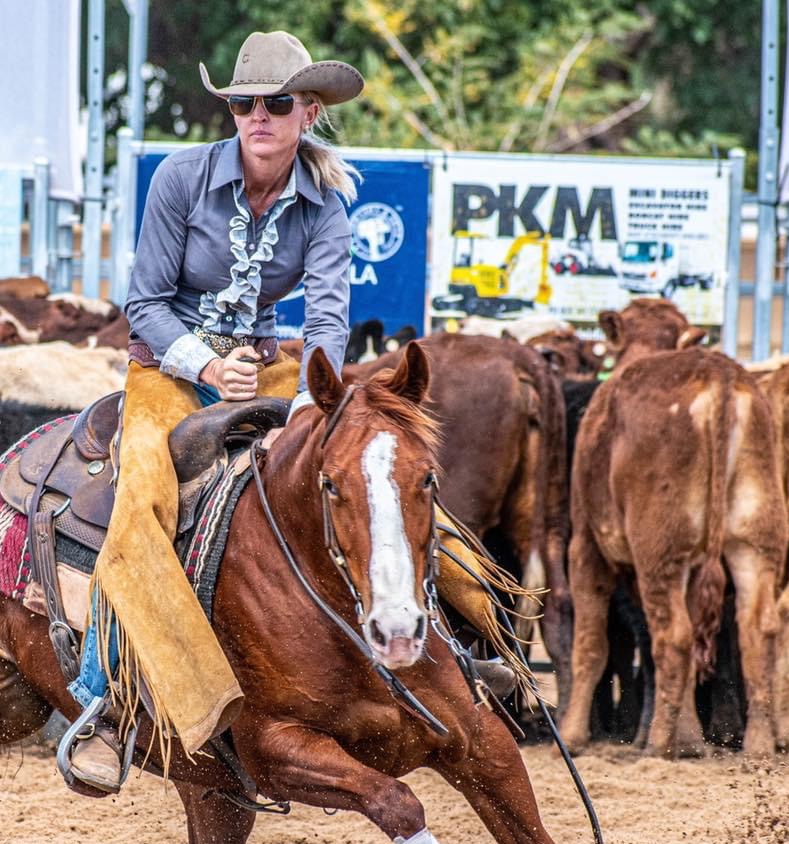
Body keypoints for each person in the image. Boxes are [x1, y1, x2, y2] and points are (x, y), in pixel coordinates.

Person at [63, 31, 526, 794]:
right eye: (243, 103)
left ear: (308, 112)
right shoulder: (180, 178)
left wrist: (311, 409)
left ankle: (468, 649)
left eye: (276, 103)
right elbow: (144, 304)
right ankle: (105, 700)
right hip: (168, 367)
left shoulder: (327, 207)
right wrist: (209, 367)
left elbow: (327, 325)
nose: (258, 116)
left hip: (268, 366)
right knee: (141, 496)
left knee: (376, 475)